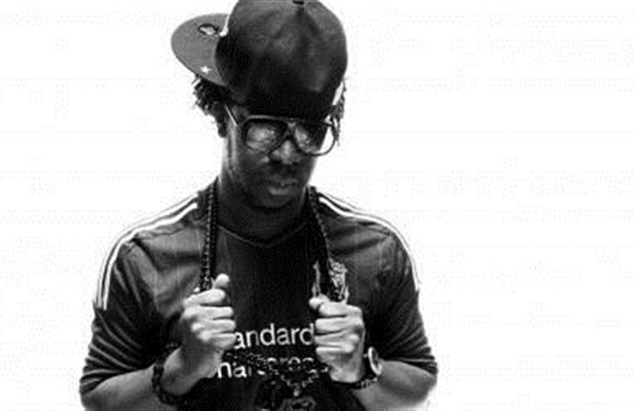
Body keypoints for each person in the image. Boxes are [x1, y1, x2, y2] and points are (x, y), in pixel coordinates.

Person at [79, 0, 437, 409]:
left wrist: (361, 369)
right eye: (265, 127)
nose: (288, 153)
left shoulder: (375, 250)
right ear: (220, 114)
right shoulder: (147, 258)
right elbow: (99, 400)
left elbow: (418, 385)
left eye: (310, 130)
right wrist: (182, 367)